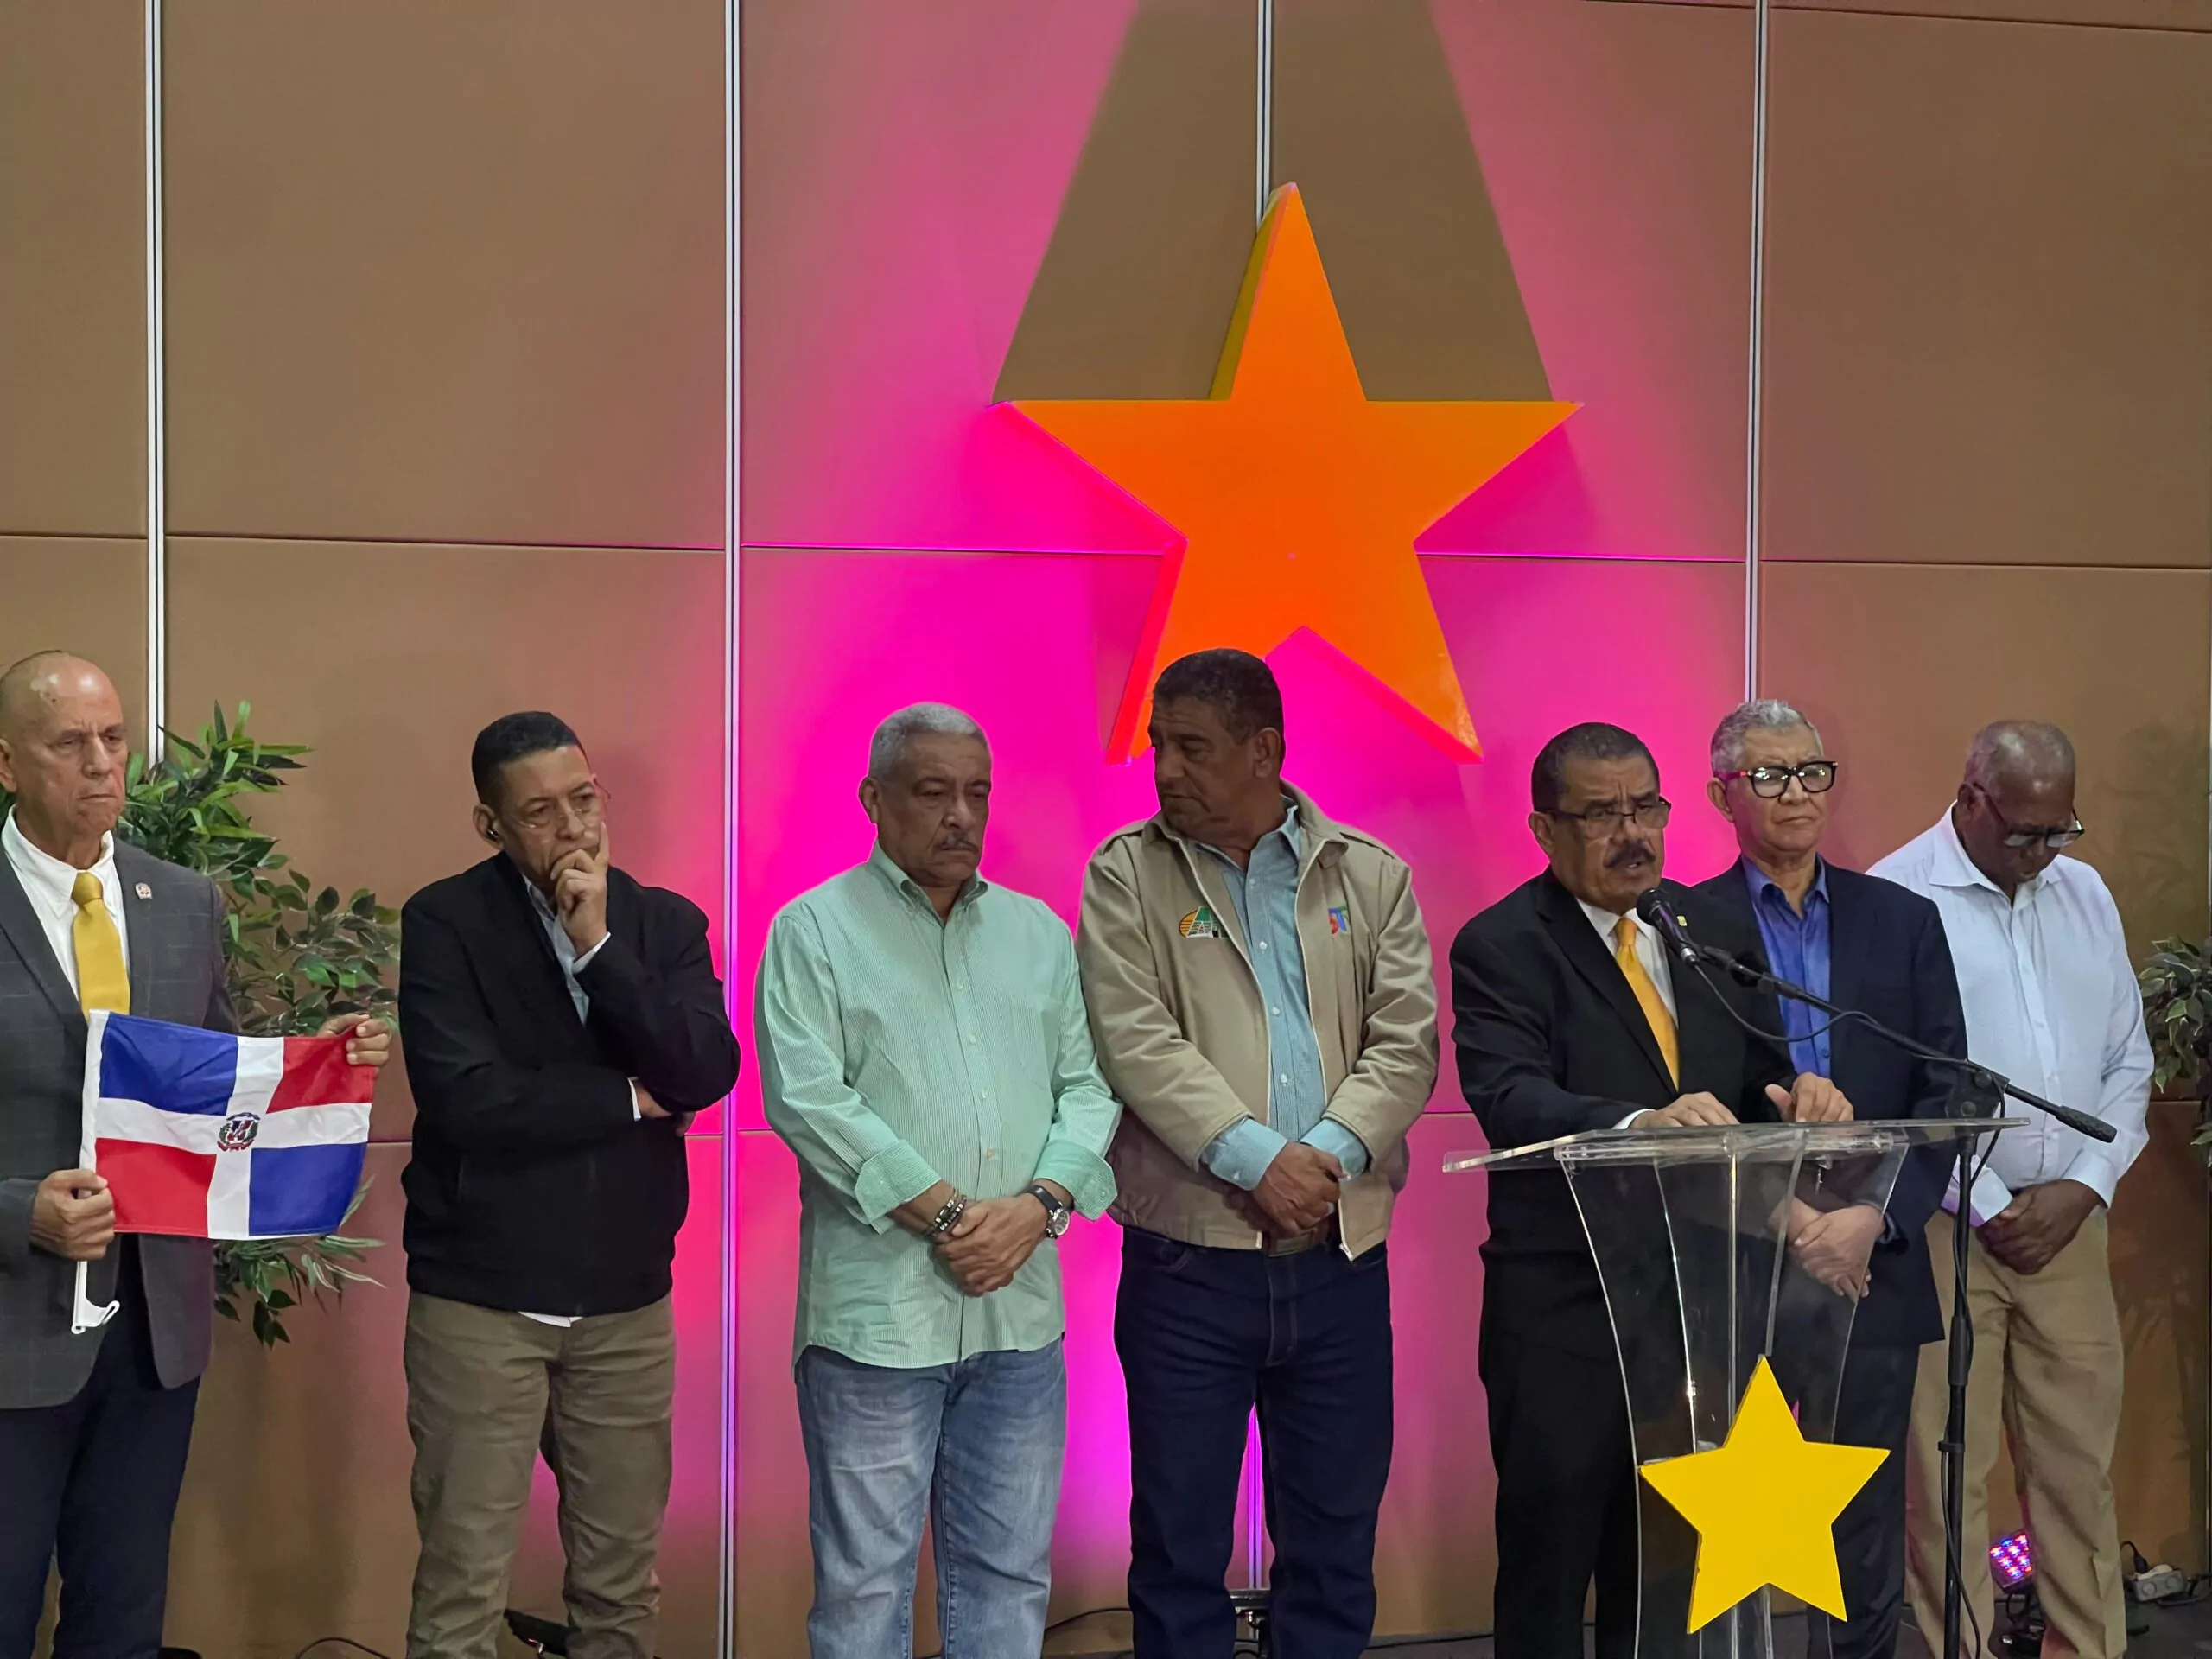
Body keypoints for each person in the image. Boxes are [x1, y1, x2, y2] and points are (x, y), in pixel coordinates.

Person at [0, 651, 391, 1657]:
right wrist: (19, 1211)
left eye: (113, 737)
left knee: (122, 1620)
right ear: (7, 764)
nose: (102, 764)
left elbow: (211, 1091)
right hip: (11, 1333)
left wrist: (313, 1067)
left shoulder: (182, 902)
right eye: (70, 743)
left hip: (153, 1332)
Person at [1449, 720, 1853, 1659]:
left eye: (1646, 808)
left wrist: (1800, 1094)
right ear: (1545, 829)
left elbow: (1757, 1072)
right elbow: (1509, 1096)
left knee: (1668, 1585)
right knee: (1552, 1575)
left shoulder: (1707, 927)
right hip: (1568, 1316)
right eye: (1601, 815)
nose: (1632, 833)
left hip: (1700, 1312)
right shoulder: (1503, 944)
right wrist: (1637, 1124)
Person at [1077, 649, 1437, 1659]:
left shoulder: (1369, 874)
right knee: (1177, 1548)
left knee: (1333, 1547)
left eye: (1193, 748)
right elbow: (1133, 1040)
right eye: (1160, 746)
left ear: (1263, 751)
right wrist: (1257, 1163)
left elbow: (1405, 1040)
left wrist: (1321, 1158)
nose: (1167, 770)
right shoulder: (1124, 874)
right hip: (1187, 1266)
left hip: (1339, 1262)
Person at [756, 702, 1122, 1659]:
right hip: (877, 1327)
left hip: (1019, 1319)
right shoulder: (814, 931)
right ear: (874, 799)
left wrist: (1038, 1209)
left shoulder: (1038, 933)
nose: (961, 815)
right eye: (932, 793)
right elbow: (808, 1101)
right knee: (864, 1591)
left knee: (1008, 1579)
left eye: (977, 793)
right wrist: (956, 1217)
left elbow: (1089, 1089)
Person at [397, 711, 741, 1659]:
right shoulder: (446, 922)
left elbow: (704, 1070)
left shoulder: (663, 924)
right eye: (540, 812)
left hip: (626, 1303)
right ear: (492, 826)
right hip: (482, 1302)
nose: (573, 828)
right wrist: (628, 1098)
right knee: (463, 1587)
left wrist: (598, 947)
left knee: (620, 1588)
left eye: (584, 799)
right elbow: (467, 1100)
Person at [1872, 721, 2152, 1659]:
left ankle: (2087, 1648)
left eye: (2059, 831)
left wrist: (2085, 1185)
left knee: (2078, 1471)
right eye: (2027, 833)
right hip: (1948, 1226)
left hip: (2069, 1226)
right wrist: (1989, 1203)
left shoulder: (2085, 892)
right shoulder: (1896, 896)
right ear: (1970, 800)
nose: (2044, 853)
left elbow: (2128, 1059)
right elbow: (1895, 1082)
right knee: (1945, 1476)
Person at [1695, 699, 1968, 1659]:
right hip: (1737, 1260)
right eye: (1768, 776)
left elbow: (1945, 1087)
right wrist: (1786, 1214)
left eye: (1811, 772)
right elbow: (1674, 1088)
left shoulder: (1903, 921)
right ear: (1721, 795)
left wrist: (1873, 1218)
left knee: (1862, 1527)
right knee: (1724, 1534)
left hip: (1870, 1263)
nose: (1797, 794)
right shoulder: (1683, 925)